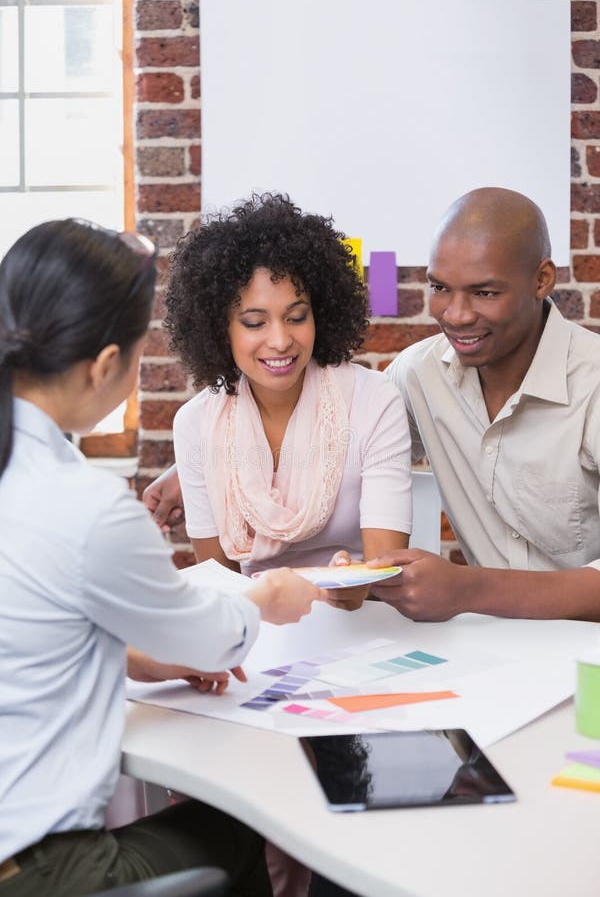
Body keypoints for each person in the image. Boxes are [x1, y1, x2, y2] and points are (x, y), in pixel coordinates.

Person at [0, 219, 323, 897]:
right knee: (246, 824)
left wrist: (137, 659)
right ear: (103, 365)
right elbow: (212, 634)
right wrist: (268, 597)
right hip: (39, 869)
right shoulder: (87, 509)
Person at [151, 192, 412, 896]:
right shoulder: (198, 423)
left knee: (349, 833)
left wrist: (338, 583)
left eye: (297, 316)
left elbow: (382, 567)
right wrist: (256, 611)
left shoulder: (372, 400)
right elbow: (215, 577)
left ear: (321, 311)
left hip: (363, 633)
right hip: (257, 642)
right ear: (219, 326)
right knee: (238, 810)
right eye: (254, 321)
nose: (280, 341)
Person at [369, 186, 600, 621]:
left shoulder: (594, 384)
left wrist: (469, 588)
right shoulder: (418, 374)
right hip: (482, 653)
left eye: (485, 293)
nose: (455, 315)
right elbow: (348, 452)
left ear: (541, 280)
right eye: (440, 287)